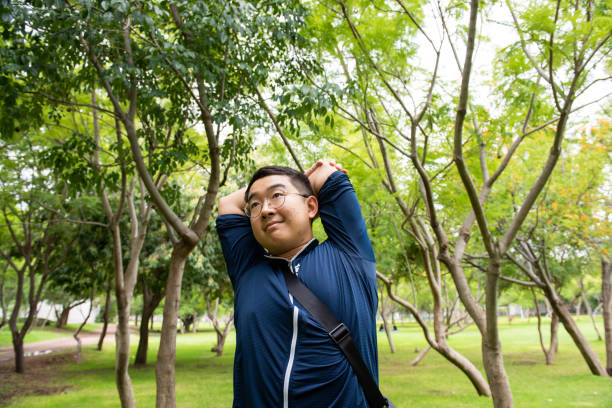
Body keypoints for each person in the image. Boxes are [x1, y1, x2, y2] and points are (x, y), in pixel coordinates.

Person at [216, 159, 379, 408]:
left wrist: (298, 183)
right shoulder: (247, 270)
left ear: (312, 206)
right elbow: (227, 204)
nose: (266, 209)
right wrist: (291, 186)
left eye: (277, 196)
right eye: (255, 205)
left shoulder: (349, 256)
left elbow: (326, 173)